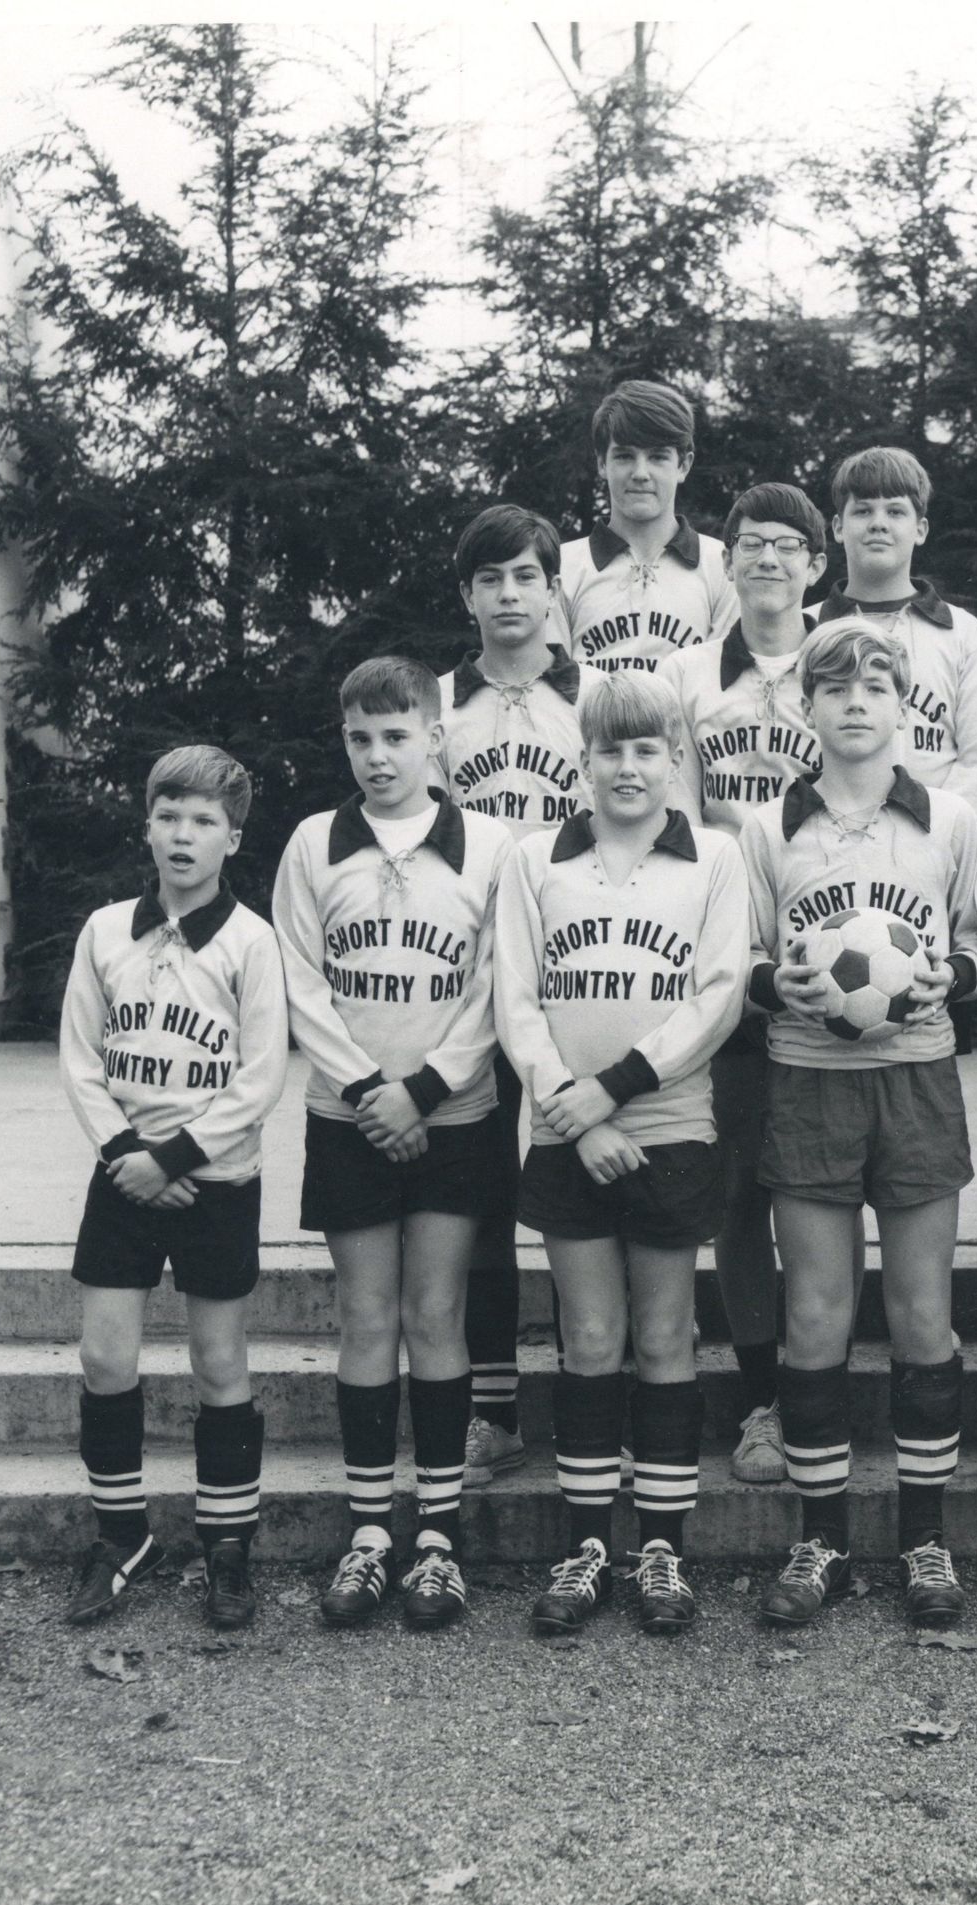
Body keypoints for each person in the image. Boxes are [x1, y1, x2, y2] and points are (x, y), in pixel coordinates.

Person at [493, 670, 750, 1636]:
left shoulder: (714, 856)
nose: (629, 767)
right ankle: (587, 1546)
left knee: (665, 1337)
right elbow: (517, 997)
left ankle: (663, 1550)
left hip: (670, 1127)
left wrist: (618, 1090)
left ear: (676, 759)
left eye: (648, 749)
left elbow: (717, 994)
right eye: (611, 750)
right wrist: (576, 1109)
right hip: (569, 1131)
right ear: (585, 760)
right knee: (591, 1338)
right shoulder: (536, 859)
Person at [740, 619, 977, 1629]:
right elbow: (740, 960)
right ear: (805, 707)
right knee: (816, 1314)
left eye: (874, 686)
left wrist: (947, 977)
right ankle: (823, 1539)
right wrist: (778, 984)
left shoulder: (951, 819)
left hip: (916, 1077)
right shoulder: (767, 826)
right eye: (834, 687)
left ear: (902, 705)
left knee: (924, 1312)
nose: (854, 702)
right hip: (808, 1081)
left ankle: (925, 1537)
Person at [275, 658, 514, 1631]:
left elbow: (496, 983)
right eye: (360, 739)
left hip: (453, 1117)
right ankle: (372, 1533)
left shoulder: (489, 844)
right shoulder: (313, 842)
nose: (378, 757)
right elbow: (299, 978)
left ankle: (440, 1539)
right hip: (350, 1120)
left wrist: (422, 1090)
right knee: (368, 1317)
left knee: (437, 1311)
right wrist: (367, 1090)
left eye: (397, 736)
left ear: (435, 737)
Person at [58, 745, 289, 1629]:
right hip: (123, 1172)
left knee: (218, 1360)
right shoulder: (104, 930)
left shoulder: (250, 940)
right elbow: (81, 1058)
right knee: (104, 1356)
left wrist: (175, 1158)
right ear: (147, 828)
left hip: (213, 1178)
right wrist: (129, 1153)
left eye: (204, 821)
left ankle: (227, 1546)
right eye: (169, 817)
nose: (184, 835)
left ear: (234, 838)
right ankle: (122, 1537)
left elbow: (260, 1078)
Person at [657, 481, 833, 1487]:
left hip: (835, 952)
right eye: (751, 543)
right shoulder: (685, 674)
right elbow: (677, 821)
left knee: (825, 1186)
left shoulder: (847, 659)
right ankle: (765, 1396)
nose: (768, 558)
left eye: (788, 544)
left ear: (817, 564)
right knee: (738, 1195)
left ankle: (821, 1381)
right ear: (726, 564)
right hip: (728, 952)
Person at [436, 503, 600, 1491]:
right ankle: (492, 1411)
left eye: (525, 576)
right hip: (467, 974)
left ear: (552, 590)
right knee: (483, 1192)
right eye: (490, 579)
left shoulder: (599, 696)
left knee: (583, 1178)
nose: (508, 595)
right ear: (468, 595)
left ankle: (598, 1398)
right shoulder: (436, 706)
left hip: (578, 966)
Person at [815, 446, 977, 808]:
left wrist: (930, 829)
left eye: (895, 511)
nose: (878, 523)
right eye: (863, 510)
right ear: (838, 528)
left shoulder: (962, 633)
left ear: (920, 529)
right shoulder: (808, 628)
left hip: (934, 834)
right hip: (825, 833)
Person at [554, 379, 737, 674]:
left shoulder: (723, 567)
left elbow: (718, 689)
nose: (640, 473)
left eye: (658, 457)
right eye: (625, 456)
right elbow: (554, 686)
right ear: (602, 463)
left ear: (684, 465)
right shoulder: (562, 567)